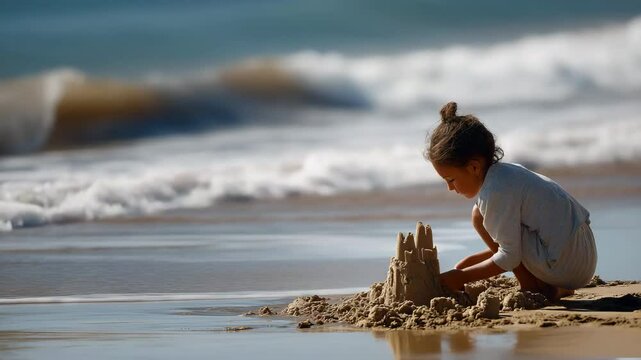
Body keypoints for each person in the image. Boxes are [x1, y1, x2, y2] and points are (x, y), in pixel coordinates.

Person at [425, 101, 597, 301]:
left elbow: (510, 255)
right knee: (485, 217)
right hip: (582, 255)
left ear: (473, 167)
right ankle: (555, 288)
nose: (450, 188)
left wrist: (462, 277)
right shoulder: (508, 173)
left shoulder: (494, 193)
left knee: (478, 216)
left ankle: (532, 286)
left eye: (451, 180)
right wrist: (474, 261)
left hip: (565, 264)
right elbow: (514, 240)